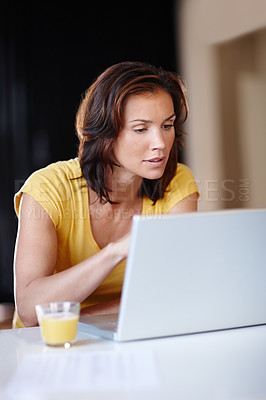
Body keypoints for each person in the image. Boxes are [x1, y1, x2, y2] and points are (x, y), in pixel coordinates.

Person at [12, 61, 199, 328]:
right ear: (104, 133)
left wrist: (76, 318)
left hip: (129, 332)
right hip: (47, 343)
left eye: (167, 125)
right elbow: (31, 310)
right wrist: (116, 251)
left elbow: (174, 293)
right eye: (141, 129)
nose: (160, 143)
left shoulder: (178, 183)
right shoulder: (47, 188)